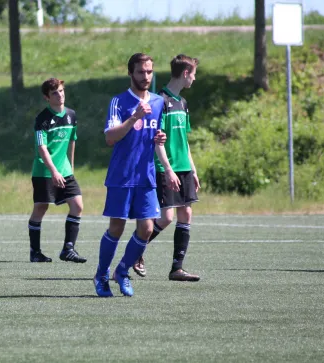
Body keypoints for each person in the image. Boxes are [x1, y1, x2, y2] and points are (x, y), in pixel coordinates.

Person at [93, 53, 178, 297]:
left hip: (146, 177)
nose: (146, 76)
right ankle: (101, 275)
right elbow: (110, 138)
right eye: (141, 72)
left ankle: (121, 271)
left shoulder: (159, 102)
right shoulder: (119, 102)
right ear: (131, 73)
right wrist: (134, 117)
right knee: (117, 228)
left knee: (147, 228)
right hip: (122, 176)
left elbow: (157, 140)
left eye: (149, 72)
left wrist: (168, 165)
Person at [132, 54, 201, 282]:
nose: (194, 79)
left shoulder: (183, 103)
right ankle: (135, 252)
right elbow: (156, 141)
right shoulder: (160, 101)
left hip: (183, 168)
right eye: (193, 74)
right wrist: (168, 169)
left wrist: (193, 169)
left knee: (186, 212)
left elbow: (184, 140)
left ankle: (176, 269)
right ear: (185, 73)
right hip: (166, 168)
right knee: (167, 217)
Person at [28, 78, 87, 264]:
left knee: (77, 206)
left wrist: (70, 167)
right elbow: (41, 148)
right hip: (44, 171)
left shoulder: (71, 115)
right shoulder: (42, 119)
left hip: (65, 171)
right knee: (41, 208)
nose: (60, 95)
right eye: (55, 93)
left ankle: (68, 249)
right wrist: (54, 171)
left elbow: (72, 141)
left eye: (61, 91)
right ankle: (35, 252)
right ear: (47, 97)